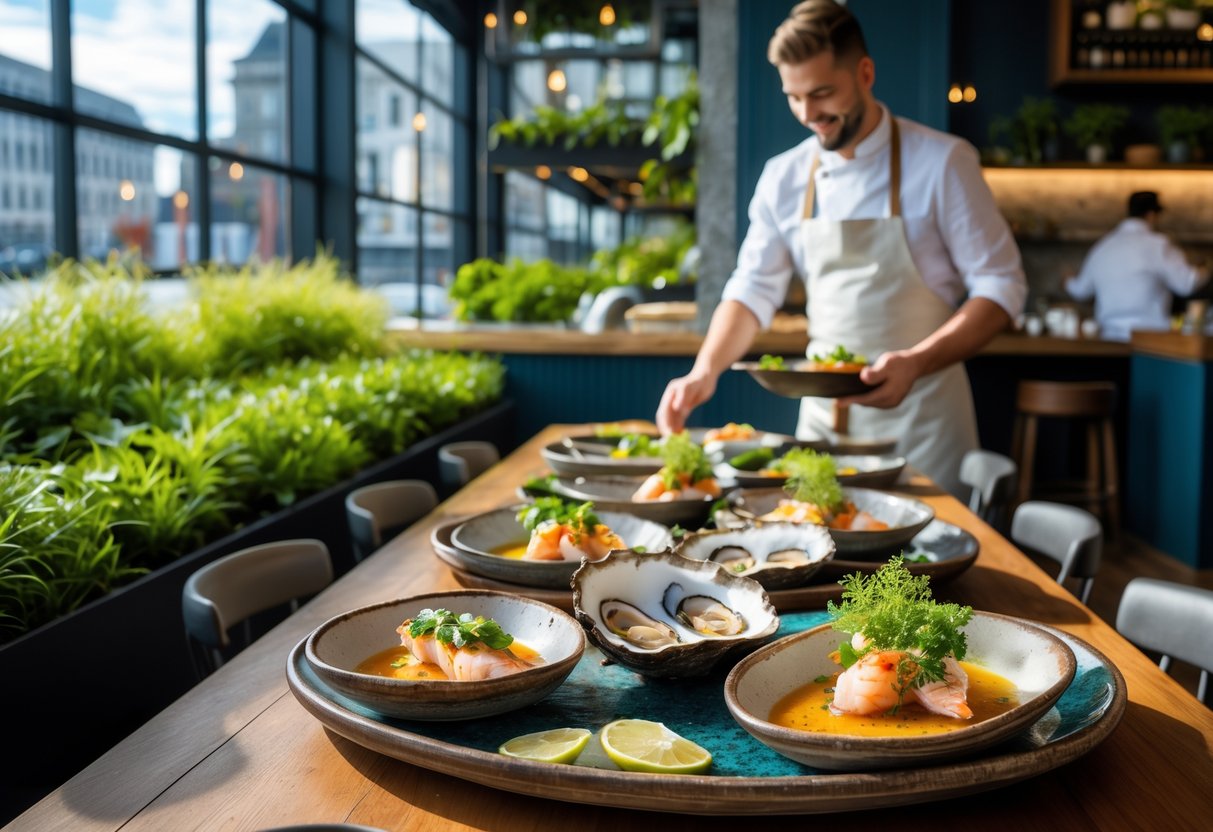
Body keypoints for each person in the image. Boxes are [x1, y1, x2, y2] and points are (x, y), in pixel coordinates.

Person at [655, 0, 1025, 496]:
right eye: (794, 97)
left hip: (924, 423)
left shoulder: (943, 163)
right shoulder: (783, 177)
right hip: (822, 430)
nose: (809, 115)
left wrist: (914, 362)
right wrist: (705, 371)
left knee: (924, 570)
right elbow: (752, 289)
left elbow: (1003, 288)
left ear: (865, 73)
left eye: (823, 93)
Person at [1065, 191, 1209, 342]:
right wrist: (1205, 269)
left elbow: (1080, 290)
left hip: (1109, 341)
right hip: (1152, 343)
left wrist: (1067, 280)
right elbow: (1187, 284)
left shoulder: (1102, 247)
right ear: (1152, 215)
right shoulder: (1159, 245)